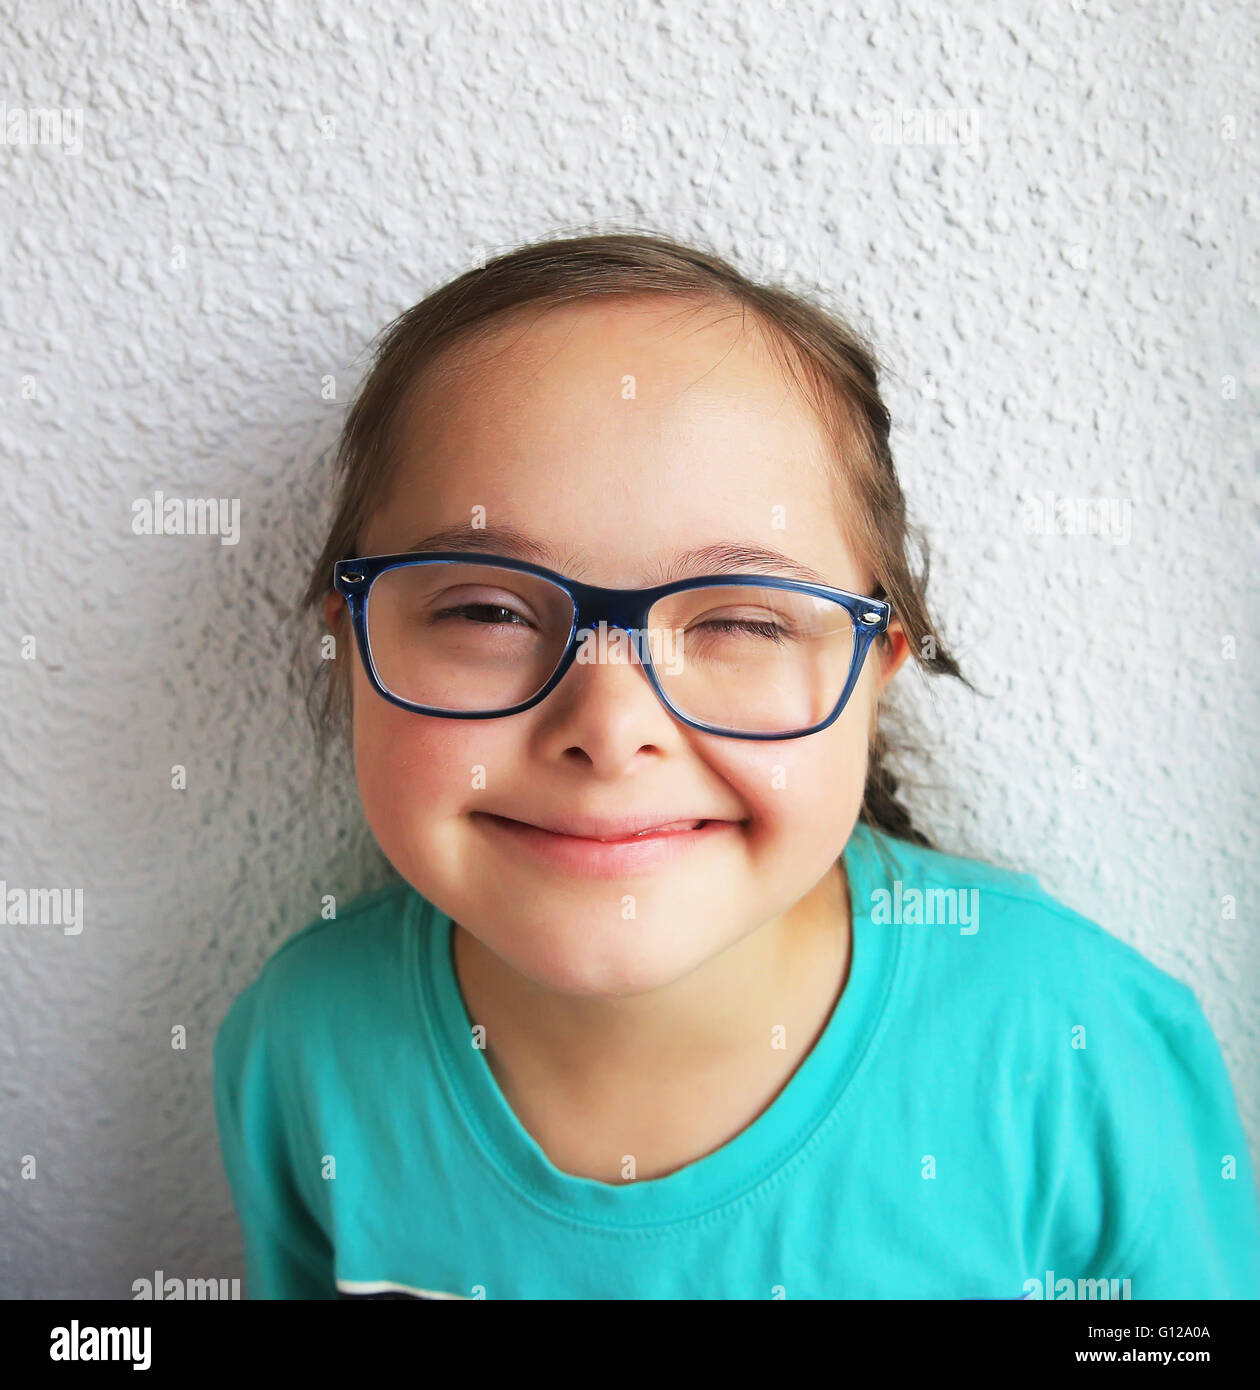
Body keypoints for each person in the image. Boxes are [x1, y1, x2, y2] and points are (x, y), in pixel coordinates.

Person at [212, 231, 1260, 1299]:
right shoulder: (303, 1044)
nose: (611, 729)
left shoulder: (1076, 1041)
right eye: (487, 608)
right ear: (345, 639)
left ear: (875, 673)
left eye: (744, 623)